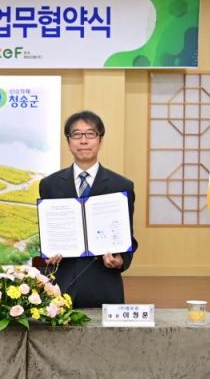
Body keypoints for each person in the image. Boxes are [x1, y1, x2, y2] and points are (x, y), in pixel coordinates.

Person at [38, 110, 138, 308]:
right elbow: (45, 235)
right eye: (76, 134)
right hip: (59, 284)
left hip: (103, 284)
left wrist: (120, 260)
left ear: (100, 141)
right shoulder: (49, 184)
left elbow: (128, 237)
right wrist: (46, 256)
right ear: (69, 142)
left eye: (90, 134)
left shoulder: (121, 186)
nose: (83, 140)